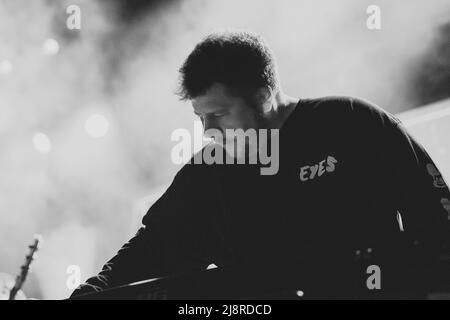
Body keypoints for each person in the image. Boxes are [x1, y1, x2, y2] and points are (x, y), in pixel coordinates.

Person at [71, 30, 449, 298]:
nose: (207, 131)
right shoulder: (210, 172)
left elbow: (437, 222)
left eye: (218, 114)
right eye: (200, 117)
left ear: (264, 96)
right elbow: (152, 248)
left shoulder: (353, 122)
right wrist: (91, 294)